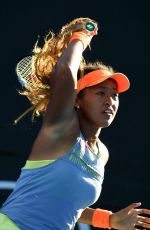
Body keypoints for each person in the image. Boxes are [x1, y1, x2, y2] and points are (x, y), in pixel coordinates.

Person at [0, 17, 150, 230]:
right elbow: (65, 73)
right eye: (100, 93)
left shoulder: (101, 153)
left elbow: (69, 205)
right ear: (77, 99)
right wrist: (80, 37)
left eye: (114, 95)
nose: (110, 101)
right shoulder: (63, 128)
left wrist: (110, 220)